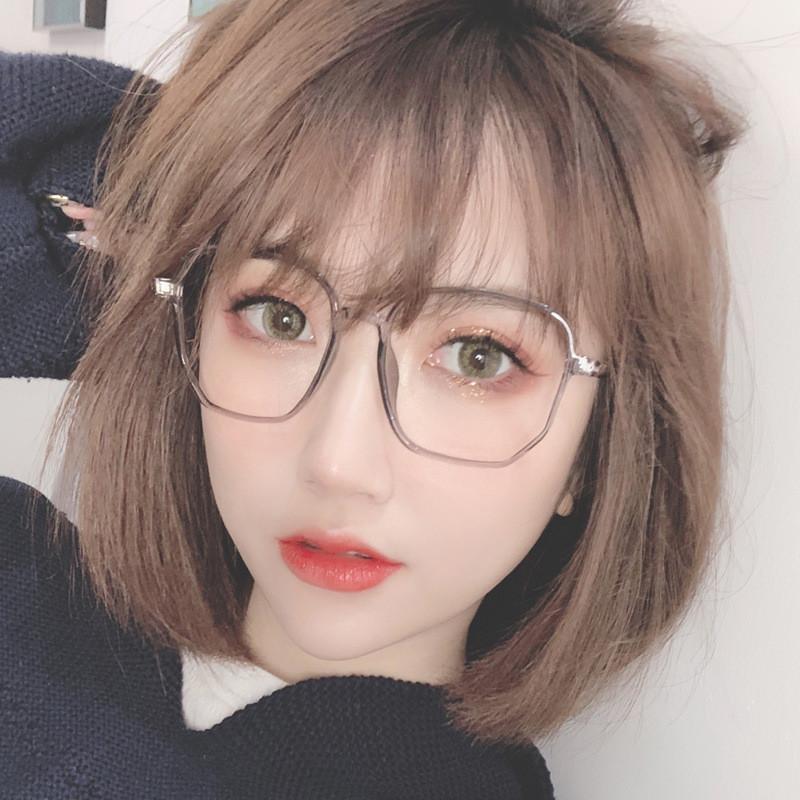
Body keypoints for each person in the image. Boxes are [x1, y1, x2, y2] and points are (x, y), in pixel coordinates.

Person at [0, 0, 747, 796]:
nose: (339, 462)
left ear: (596, 448)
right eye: (279, 317)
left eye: (479, 356)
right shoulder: (31, 600)